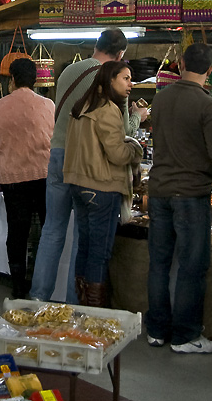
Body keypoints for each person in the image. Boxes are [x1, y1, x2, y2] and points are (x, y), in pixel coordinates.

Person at [30, 28, 145, 303]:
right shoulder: (113, 79)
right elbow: (124, 131)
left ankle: (38, 298)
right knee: (84, 236)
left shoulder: (70, 71)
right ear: (120, 55)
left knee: (52, 230)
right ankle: (74, 304)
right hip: (87, 161)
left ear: (96, 45)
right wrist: (138, 116)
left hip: (57, 152)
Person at [145, 43, 212, 354]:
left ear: (180, 64)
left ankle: (156, 330)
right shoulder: (208, 105)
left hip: (159, 191)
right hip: (191, 194)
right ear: (209, 69)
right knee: (192, 265)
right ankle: (185, 335)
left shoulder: (161, 99)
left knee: (159, 262)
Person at [64, 61, 143, 307]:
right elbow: (118, 154)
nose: (130, 84)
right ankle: (95, 314)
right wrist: (135, 148)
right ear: (110, 80)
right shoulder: (108, 109)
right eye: (125, 78)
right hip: (101, 187)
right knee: (99, 253)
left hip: (79, 184)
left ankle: (82, 307)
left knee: (86, 249)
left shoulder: (83, 105)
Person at [0, 58, 55, 298]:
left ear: (12, 79)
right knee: (46, 231)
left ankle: (17, 285)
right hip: (44, 176)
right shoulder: (48, 105)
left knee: (18, 232)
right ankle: (42, 283)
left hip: (13, 178)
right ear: (35, 79)